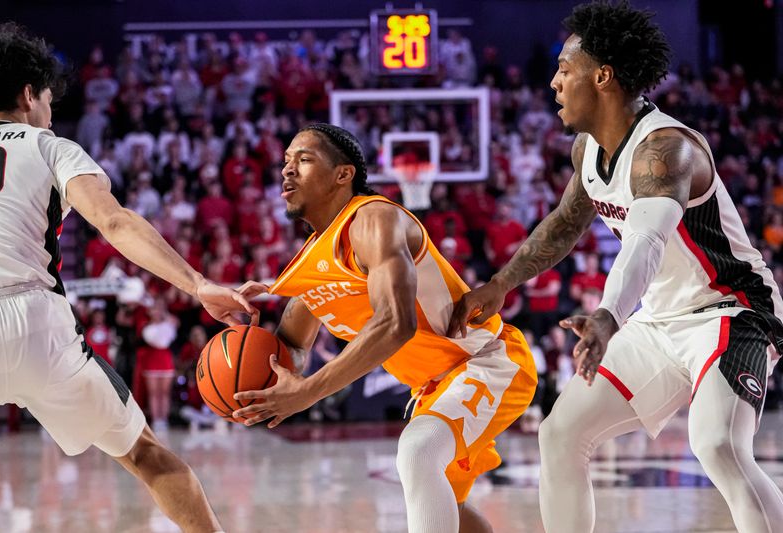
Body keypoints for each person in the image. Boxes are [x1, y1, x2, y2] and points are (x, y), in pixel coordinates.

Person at [448, 2, 783, 532]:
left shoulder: (665, 149)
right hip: (658, 320)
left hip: (731, 310)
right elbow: (564, 224)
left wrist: (607, 315)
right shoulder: (588, 148)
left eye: (564, 68)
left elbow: (647, 240)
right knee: (561, 434)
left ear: (601, 76)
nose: (554, 82)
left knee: (718, 443)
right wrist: (501, 283)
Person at [0, 23, 260, 533]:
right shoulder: (48, 145)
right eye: (47, 99)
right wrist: (198, 284)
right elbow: (114, 222)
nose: (49, 112)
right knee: (146, 455)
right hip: (37, 325)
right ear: (28, 95)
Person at [232, 123, 537, 533]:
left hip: (485, 361)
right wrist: (250, 372)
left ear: (343, 175)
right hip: (432, 387)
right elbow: (289, 349)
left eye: (303, 160)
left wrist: (306, 392)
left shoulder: (375, 219)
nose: (287, 170)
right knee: (448, 507)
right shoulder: (311, 265)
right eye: (286, 162)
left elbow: (397, 323)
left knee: (417, 453)